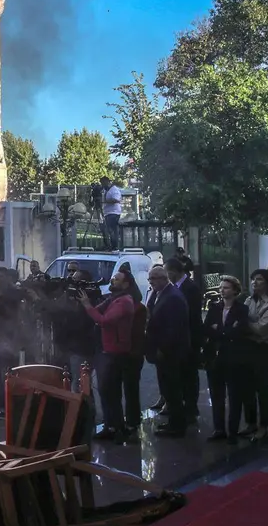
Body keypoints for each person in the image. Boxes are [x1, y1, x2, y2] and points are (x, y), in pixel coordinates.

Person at [80, 266, 141, 443]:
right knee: (106, 392)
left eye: (117, 279)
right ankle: (111, 425)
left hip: (115, 352)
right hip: (106, 350)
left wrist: (87, 305)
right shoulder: (113, 299)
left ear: (126, 284)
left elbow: (104, 320)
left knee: (111, 392)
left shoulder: (124, 302)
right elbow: (96, 310)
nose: (112, 281)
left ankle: (117, 427)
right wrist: (87, 302)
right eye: (113, 278)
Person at [202, 276, 254, 441]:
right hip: (215, 356)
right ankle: (219, 429)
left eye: (226, 287)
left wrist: (220, 330)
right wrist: (225, 331)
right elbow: (207, 329)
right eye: (221, 287)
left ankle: (232, 430)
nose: (222, 290)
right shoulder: (214, 307)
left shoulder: (242, 309)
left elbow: (240, 332)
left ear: (235, 290)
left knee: (234, 395)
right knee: (217, 395)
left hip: (234, 357)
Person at [145, 263, 192, 437]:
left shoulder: (172, 297)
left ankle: (177, 426)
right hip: (163, 351)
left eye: (154, 279)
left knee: (173, 389)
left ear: (164, 279)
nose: (151, 282)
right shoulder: (160, 294)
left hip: (170, 352)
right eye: (150, 279)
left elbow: (173, 328)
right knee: (168, 389)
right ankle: (173, 422)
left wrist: (162, 349)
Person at [242, 270, 268, 441]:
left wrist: (243, 323)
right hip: (249, 347)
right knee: (247, 387)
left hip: (265, 348)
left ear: (267, 283)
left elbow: (261, 329)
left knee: (263, 387)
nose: (254, 283)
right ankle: (250, 423)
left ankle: (264, 425)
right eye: (252, 280)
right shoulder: (249, 300)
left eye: (259, 280)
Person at [100, 177, 123, 250]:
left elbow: (116, 200)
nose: (102, 185)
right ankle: (109, 245)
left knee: (112, 230)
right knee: (108, 229)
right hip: (108, 213)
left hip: (113, 213)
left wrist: (104, 201)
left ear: (107, 182)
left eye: (103, 183)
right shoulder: (107, 190)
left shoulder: (114, 190)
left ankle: (114, 246)